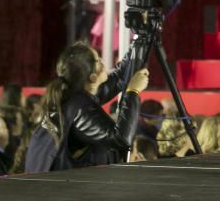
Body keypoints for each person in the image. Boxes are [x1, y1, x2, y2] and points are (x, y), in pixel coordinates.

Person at [30, 38, 150, 171]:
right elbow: (121, 139)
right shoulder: (79, 106)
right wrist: (133, 91)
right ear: (92, 77)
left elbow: (120, 77)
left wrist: (140, 39)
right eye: (98, 60)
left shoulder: (74, 94)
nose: (103, 61)